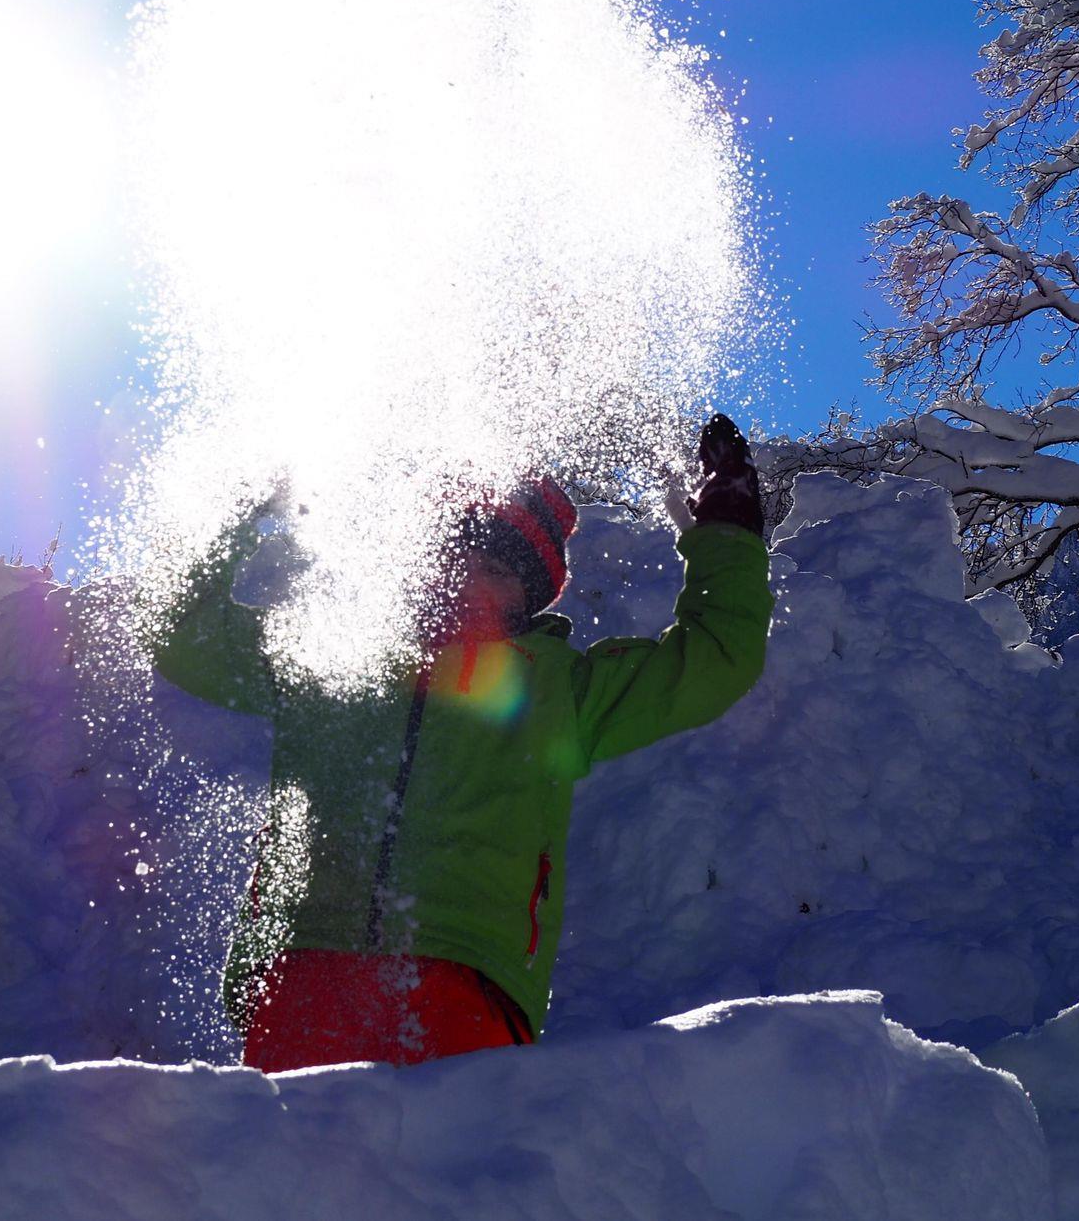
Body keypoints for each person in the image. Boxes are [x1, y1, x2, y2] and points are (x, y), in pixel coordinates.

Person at [150, 415, 773, 1073]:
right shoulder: (327, 651)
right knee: (302, 1144)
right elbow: (181, 629)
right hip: (304, 974)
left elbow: (713, 660)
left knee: (438, 1141)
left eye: (495, 567)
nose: (465, 577)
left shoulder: (557, 688)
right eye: (447, 554)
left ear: (529, 595)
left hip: (470, 980)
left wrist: (727, 531)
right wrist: (238, 499)